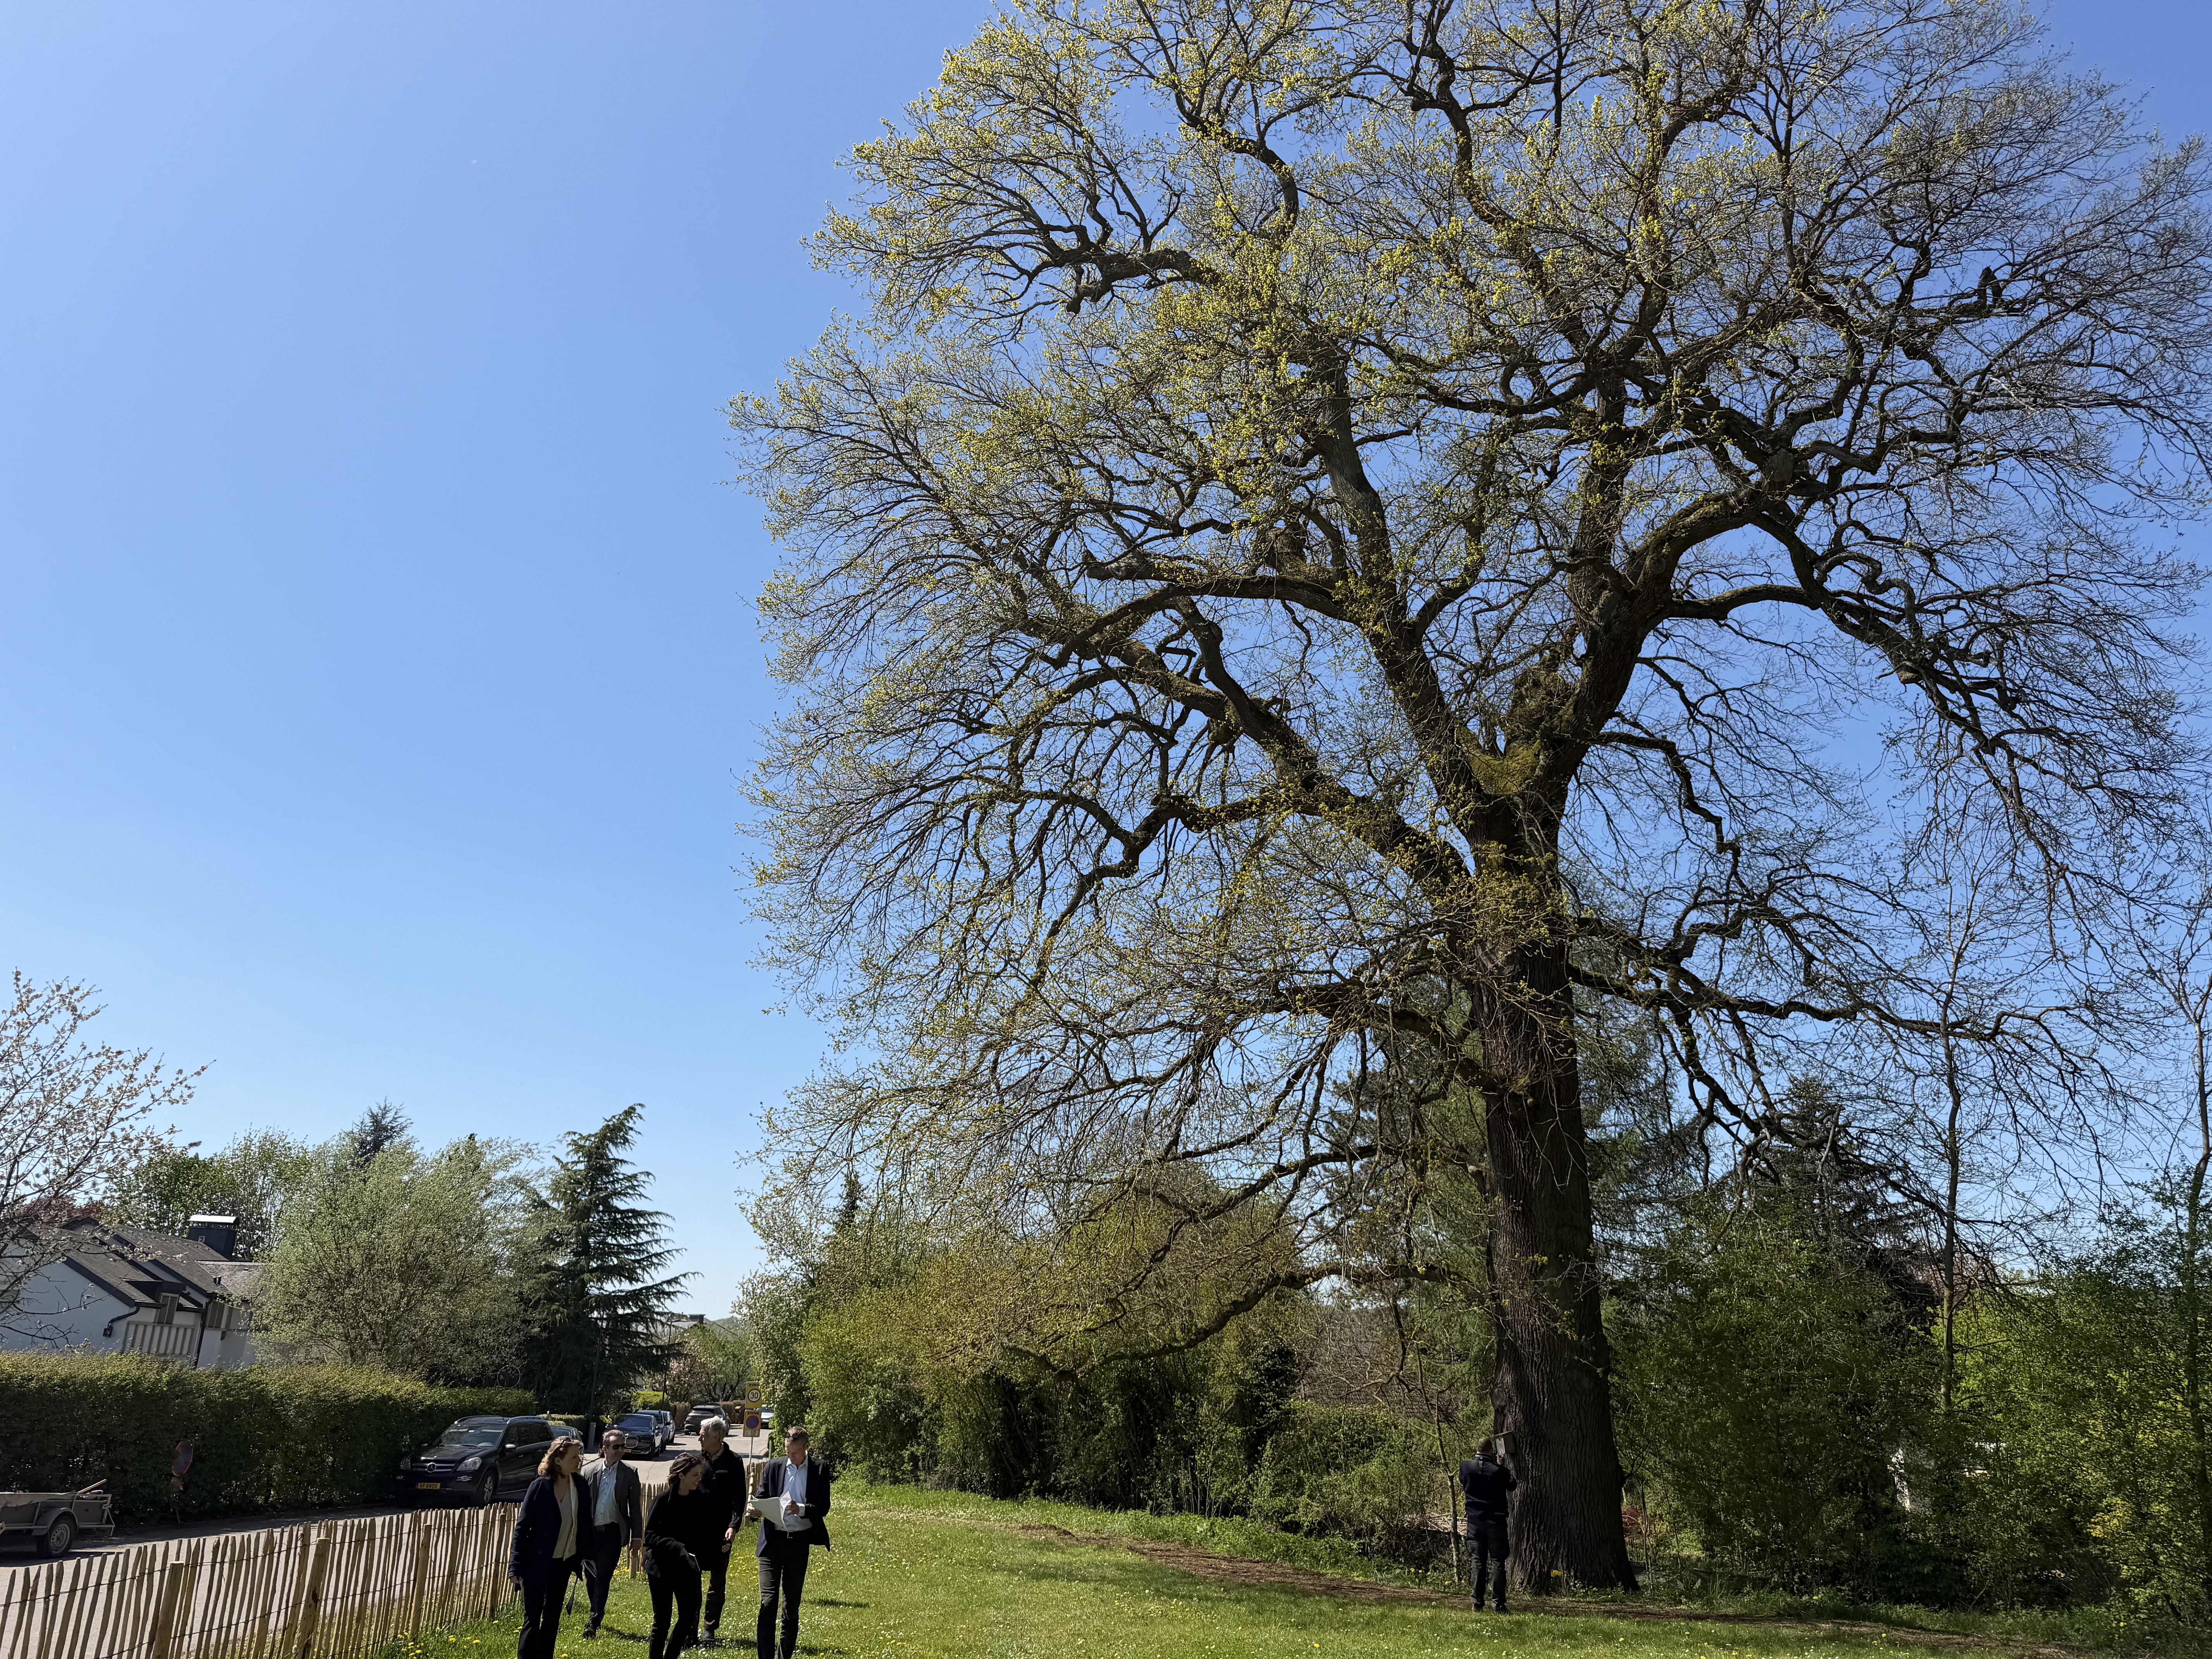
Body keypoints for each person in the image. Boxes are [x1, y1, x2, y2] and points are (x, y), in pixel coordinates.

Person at [751, 1426, 831, 1659]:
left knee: (791, 1607)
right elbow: (763, 1496)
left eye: (795, 1453)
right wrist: (755, 1509)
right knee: (768, 1603)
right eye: (788, 1451)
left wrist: (801, 1509)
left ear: (806, 1448)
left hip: (799, 1543)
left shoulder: (819, 1469)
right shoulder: (775, 1466)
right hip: (771, 1543)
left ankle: (784, 1656)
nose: (791, 1456)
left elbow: (823, 1507)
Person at [508, 1435, 587, 1659]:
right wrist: (515, 1566)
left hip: (562, 1564)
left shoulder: (580, 1486)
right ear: (558, 1461)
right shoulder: (539, 1487)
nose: (579, 1460)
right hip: (537, 1563)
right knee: (532, 1619)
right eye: (574, 1456)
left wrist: (587, 1557)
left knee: (552, 1618)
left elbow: (585, 1525)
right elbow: (522, 1529)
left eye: (579, 1455)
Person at [645, 1451, 720, 1659]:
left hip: (686, 1570)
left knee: (688, 1618)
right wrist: (675, 1546)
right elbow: (649, 1536)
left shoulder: (701, 1500)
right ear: (681, 1476)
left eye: (701, 1474)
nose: (700, 1479)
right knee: (662, 1621)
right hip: (661, 1568)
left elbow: (705, 1532)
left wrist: (717, 1545)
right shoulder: (663, 1501)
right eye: (695, 1475)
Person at [578, 1427, 644, 1638]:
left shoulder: (630, 1473)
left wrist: (637, 1536)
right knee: (591, 1577)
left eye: (623, 1447)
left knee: (604, 1576)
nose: (620, 1450)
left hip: (613, 1533)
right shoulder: (589, 1472)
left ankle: (593, 1620)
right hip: (591, 1533)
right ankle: (596, 1609)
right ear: (604, 1448)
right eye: (616, 1447)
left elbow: (635, 1508)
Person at [695, 1416, 747, 1646]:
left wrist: (733, 1527)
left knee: (717, 1583)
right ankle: (689, 1627)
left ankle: (710, 1629)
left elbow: (739, 1499)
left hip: (721, 1533)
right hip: (695, 1532)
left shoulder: (734, 1462)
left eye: (703, 1434)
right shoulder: (695, 1460)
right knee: (691, 1581)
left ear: (716, 1437)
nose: (699, 1438)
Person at [1459, 1435, 1517, 1613]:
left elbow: (1465, 1483)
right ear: (1491, 1451)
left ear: (1477, 1449)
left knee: (1478, 1562)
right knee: (1498, 1562)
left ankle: (1477, 1603)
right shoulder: (1498, 1471)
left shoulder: (1465, 1467)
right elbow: (1512, 1486)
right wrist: (1501, 1465)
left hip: (1475, 1522)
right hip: (1496, 1522)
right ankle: (1499, 1604)